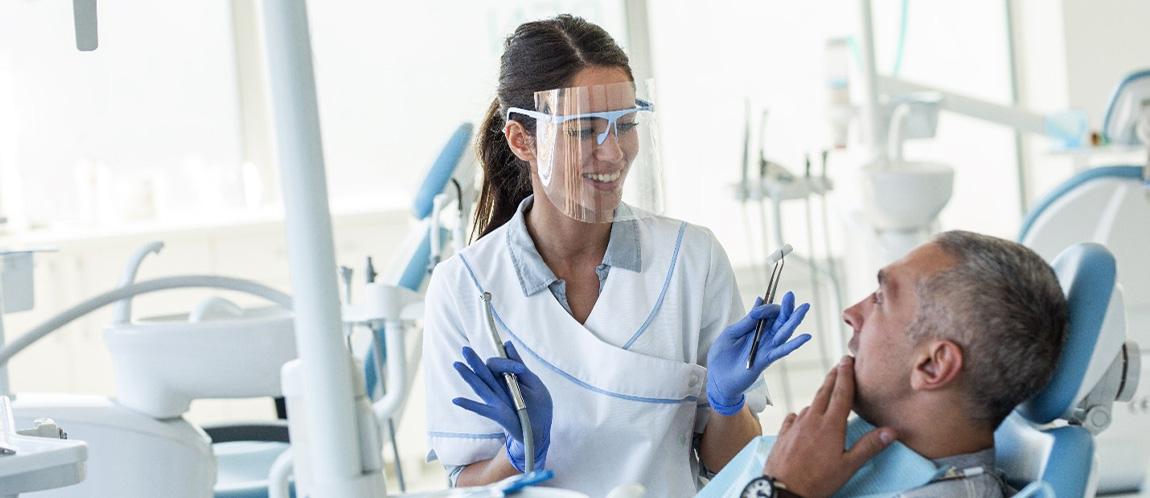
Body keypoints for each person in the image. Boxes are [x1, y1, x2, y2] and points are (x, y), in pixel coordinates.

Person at [422, 14, 810, 498]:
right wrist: (518, 455)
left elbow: (732, 468)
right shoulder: (463, 288)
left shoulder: (691, 259)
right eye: (585, 130)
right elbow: (467, 485)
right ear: (522, 139)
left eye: (625, 124)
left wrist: (727, 404)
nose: (614, 153)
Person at [736, 230, 1068, 498]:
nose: (850, 313)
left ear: (932, 366)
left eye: (880, 298)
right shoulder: (835, 460)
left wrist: (782, 489)